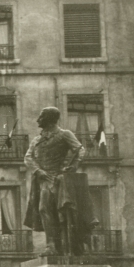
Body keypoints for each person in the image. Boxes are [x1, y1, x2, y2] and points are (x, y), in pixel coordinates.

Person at [23, 106, 94, 255]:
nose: (38, 120)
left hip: (59, 178)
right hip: (43, 179)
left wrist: (73, 166)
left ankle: (59, 245)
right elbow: (28, 157)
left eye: (41, 117)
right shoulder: (37, 139)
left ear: (49, 119)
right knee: (44, 209)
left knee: (58, 212)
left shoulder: (64, 135)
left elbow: (80, 150)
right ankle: (51, 245)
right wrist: (38, 170)